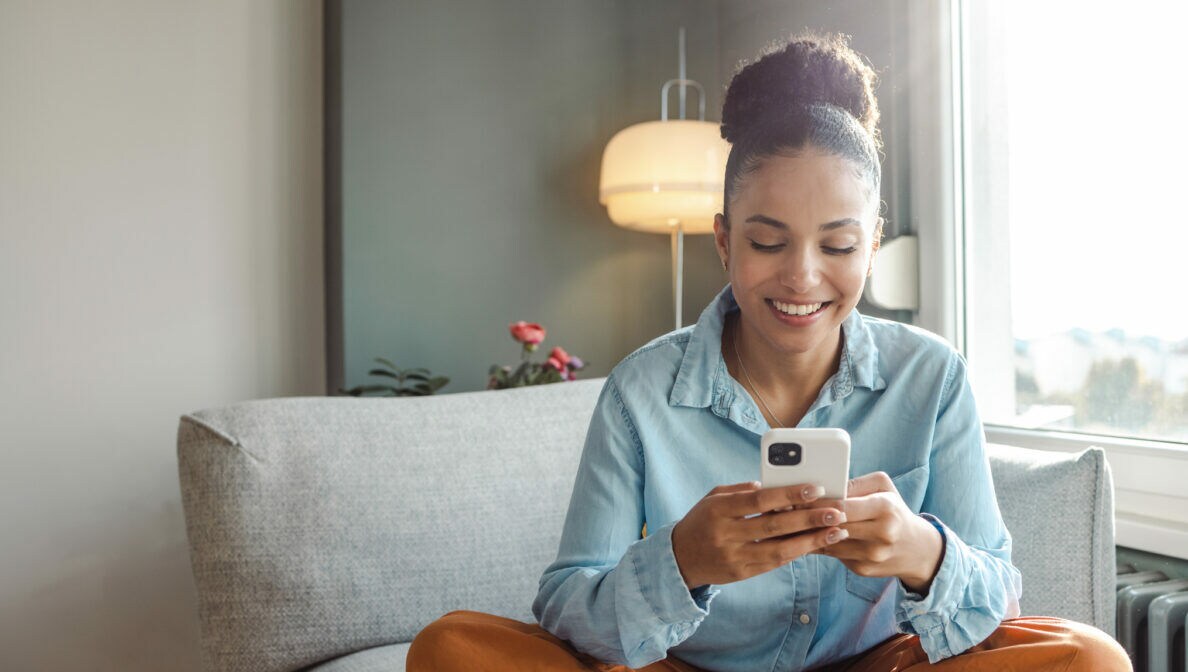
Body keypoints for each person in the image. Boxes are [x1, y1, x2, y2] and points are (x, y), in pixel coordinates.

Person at [407, 33, 1131, 671]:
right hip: (684, 667)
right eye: (766, 241)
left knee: (1092, 659)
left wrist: (921, 551)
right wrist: (682, 561)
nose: (802, 278)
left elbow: (1000, 597)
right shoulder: (641, 392)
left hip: (877, 666)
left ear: (872, 246)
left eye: (838, 246)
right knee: (451, 648)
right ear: (725, 241)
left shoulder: (931, 377)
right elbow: (568, 606)